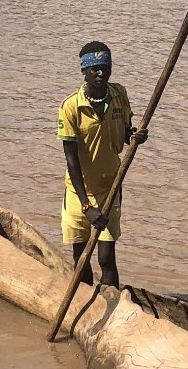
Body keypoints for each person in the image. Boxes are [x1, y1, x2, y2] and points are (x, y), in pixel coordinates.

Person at [57, 41, 145, 289]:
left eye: (105, 67)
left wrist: (134, 136)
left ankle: (113, 303)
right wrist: (87, 207)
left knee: (106, 257)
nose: (101, 73)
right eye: (94, 68)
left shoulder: (119, 94)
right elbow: (71, 161)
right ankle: (83, 301)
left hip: (110, 187)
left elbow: (125, 132)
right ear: (83, 71)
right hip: (79, 192)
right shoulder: (70, 107)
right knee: (81, 257)